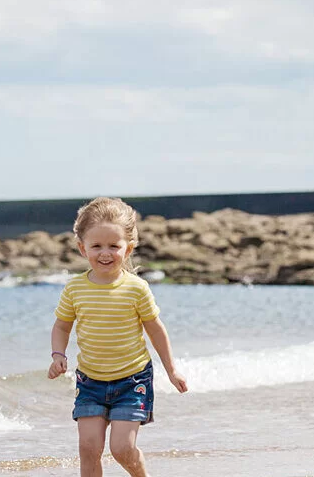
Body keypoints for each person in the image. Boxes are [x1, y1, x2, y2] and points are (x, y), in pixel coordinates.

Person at [47, 197, 189, 477]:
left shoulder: (136, 288)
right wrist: (58, 355)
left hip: (132, 379)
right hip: (90, 380)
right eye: (96, 246)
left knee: (122, 449)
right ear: (82, 248)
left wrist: (172, 370)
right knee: (88, 448)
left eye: (114, 246)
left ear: (129, 248)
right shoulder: (75, 288)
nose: (105, 253)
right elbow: (62, 326)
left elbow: (155, 329)